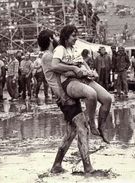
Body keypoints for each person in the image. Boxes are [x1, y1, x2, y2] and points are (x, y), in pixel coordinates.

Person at [38, 29, 94, 173]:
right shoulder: (48, 56)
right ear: (51, 39)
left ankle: (57, 165)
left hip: (65, 96)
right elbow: (61, 76)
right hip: (64, 97)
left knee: (71, 132)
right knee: (83, 128)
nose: (58, 38)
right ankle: (88, 167)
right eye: (55, 36)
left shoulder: (51, 55)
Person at [52, 24, 112, 143]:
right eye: (73, 36)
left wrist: (89, 71)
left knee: (107, 99)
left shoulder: (74, 48)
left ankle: (102, 126)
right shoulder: (60, 49)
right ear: (66, 36)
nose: (76, 38)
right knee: (91, 94)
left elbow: (82, 61)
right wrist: (74, 69)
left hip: (84, 77)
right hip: (69, 81)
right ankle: (91, 122)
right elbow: (54, 65)